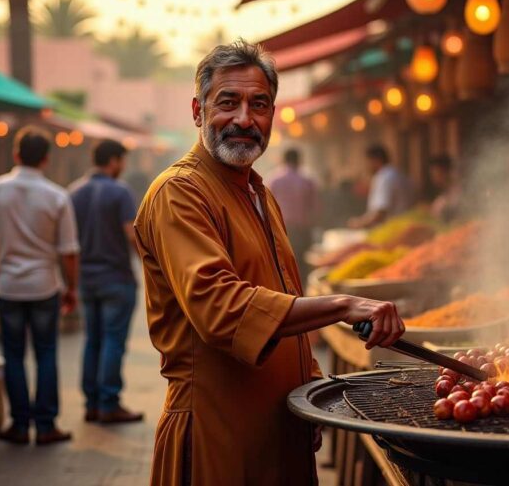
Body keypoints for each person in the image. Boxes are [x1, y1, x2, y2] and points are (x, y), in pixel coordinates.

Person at [134, 40, 405, 486]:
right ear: (198, 111)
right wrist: (341, 306)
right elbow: (222, 309)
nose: (244, 119)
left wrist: (309, 381)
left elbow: (282, 296)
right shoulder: (179, 193)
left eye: (259, 104)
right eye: (228, 103)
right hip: (217, 431)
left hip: (281, 425)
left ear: (273, 117)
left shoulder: (260, 194)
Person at [0, 127, 80, 446]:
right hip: (44, 286)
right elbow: (69, 251)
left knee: (13, 355)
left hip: (10, 286)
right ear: (46, 159)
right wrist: (72, 288)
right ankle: (45, 426)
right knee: (46, 354)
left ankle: (18, 424)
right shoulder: (57, 196)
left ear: (15, 155)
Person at [69, 139, 142, 424]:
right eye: (121, 161)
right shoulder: (120, 192)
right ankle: (109, 403)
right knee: (113, 340)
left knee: (93, 341)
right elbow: (130, 234)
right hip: (117, 278)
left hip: (86, 279)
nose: (122, 167)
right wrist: (150, 267)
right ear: (113, 161)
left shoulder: (74, 192)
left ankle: (91, 403)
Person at [267, 148, 317, 284]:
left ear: (283, 160)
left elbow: (267, 205)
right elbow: (314, 207)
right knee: (302, 262)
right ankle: (303, 291)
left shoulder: (274, 180)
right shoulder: (307, 180)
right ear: (299, 161)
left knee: (283, 262)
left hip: (282, 228)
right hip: (302, 228)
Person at [347, 144, 413, 229]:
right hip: (402, 226)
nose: (365, 166)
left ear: (376, 160)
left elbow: (380, 212)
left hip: (391, 230)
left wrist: (359, 223)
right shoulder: (396, 173)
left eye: (366, 161)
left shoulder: (384, 177)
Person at [428, 155, 462, 223]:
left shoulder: (459, 194)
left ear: (448, 172)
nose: (434, 178)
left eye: (437, 173)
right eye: (433, 174)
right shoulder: (441, 199)